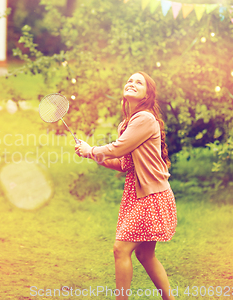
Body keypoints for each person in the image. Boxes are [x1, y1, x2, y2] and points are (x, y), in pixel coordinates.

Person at [75, 72, 177, 300]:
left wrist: (91, 149)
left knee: (121, 249)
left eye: (138, 82)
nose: (132, 83)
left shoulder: (144, 119)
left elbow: (117, 148)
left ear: (147, 94)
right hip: (143, 194)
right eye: (130, 80)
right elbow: (124, 163)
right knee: (144, 254)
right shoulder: (128, 123)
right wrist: (91, 155)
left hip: (151, 196)